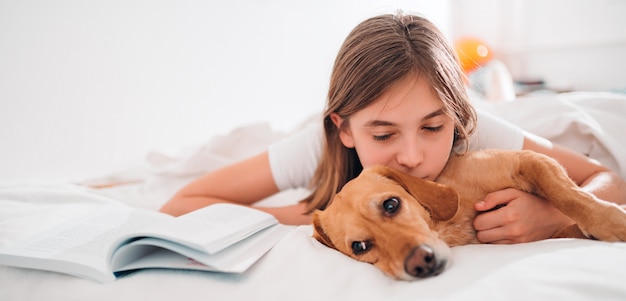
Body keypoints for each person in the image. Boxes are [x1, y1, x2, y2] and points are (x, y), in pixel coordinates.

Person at [159, 12, 626, 244]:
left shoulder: (472, 131)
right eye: (382, 135)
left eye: (431, 128)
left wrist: (561, 213)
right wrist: (321, 216)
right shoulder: (318, 144)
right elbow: (182, 203)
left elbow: (608, 179)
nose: (412, 155)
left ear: (455, 119)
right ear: (344, 129)